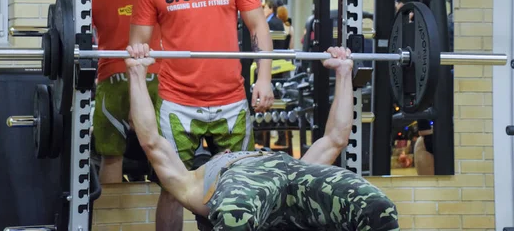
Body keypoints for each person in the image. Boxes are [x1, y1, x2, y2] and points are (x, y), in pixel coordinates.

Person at [125, 44, 400, 230]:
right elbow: (151, 142)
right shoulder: (198, 182)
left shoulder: (291, 168)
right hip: (249, 200)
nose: (227, 152)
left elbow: (336, 138)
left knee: (378, 208)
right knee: (236, 217)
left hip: (294, 187)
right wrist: (136, 73)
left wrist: (344, 73)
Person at [129, 0, 276, 230]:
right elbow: (138, 46)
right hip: (177, 100)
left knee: (241, 182)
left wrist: (263, 78)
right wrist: (137, 82)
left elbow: (258, 28)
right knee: (173, 187)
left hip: (231, 98)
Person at [90, 0, 162, 183]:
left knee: (111, 157)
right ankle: (155, 217)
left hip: (114, 77)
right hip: (158, 75)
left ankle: (114, 219)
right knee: (162, 154)